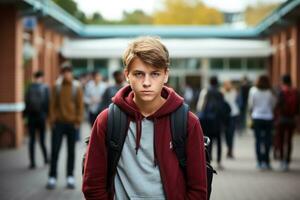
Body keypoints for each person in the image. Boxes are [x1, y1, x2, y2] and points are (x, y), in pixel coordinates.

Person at [82, 36, 207, 199]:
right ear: (127, 75)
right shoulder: (107, 120)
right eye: (139, 74)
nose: (146, 82)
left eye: (155, 74)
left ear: (166, 75)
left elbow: (198, 190)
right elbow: (93, 185)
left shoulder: (188, 123)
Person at [46, 62, 84, 189]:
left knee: (71, 152)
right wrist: (52, 121)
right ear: (62, 73)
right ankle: (52, 177)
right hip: (58, 124)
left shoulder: (76, 87)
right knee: (55, 151)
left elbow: (80, 105)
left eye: (69, 71)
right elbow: (52, 105)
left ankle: (70, 177)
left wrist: (78, 121)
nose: (67, 74)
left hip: (72, 124)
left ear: (71, 73)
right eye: (64, 72)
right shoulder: (56, 86)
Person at [197, 76, 229, 170]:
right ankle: (219, 161)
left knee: (208, 141)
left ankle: (208, 160)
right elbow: (224, 107)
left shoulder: (205, 91)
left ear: (210, 82)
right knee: (219, 141)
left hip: (207, 120)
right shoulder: (220, 93)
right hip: (218, 121)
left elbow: (200, 106)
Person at [248, 75, 276, 170]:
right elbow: (273, 105)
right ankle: (267, 162)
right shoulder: (270, 92)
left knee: (258, 141)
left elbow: (251, 105)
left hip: (257, 117)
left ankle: (259, 162)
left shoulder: (253, 90)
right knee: (268, 140)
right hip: (268, 118)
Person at [274, 74, 300, 171]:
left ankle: (281, 160)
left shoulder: (281, 91)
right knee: (289, 141)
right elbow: (298, 108)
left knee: (280, 140)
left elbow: (277, 106)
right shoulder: (296, 92)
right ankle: (287, 161)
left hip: (281, 119)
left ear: (282, 81)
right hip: (291, 119)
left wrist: (275, 118)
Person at [24, 70, 49, 169]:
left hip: (31, 118)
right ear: (41, 77)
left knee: (32, 140)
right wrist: (46, 116)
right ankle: (46, 159)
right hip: (41, 117)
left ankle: (32, 162)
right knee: (42, 140)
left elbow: (26, 102)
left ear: (34, 78)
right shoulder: (45, 88)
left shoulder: (29, 88)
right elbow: (47, 103)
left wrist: (25, 116)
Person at [221, 80, 240, 159]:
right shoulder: (222, 92)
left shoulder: (233, 92)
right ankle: (229, 149)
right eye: (227, 84)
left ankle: (230, 150)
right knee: (226, 133)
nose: (228, 86)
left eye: (229, 84)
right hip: (225, 115)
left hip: (233, 114)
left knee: (231, 133)